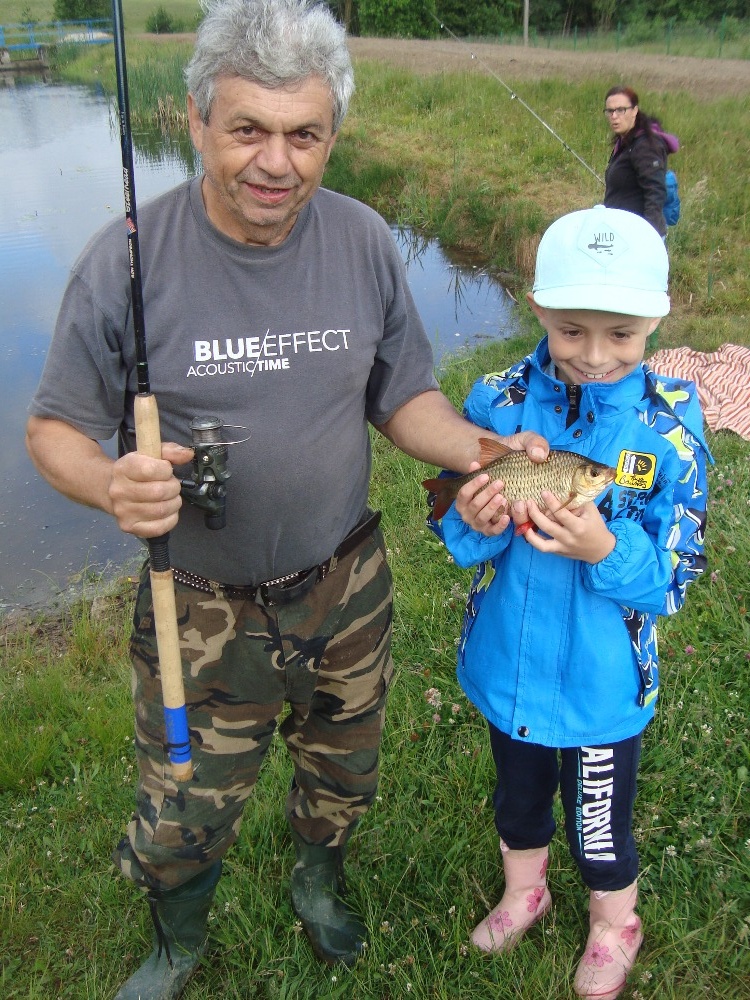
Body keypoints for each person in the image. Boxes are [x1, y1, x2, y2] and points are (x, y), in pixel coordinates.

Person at [25, 1, 546, 996]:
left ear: (332, 134)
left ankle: (319, 880)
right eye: (247, 130)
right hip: (197, 609)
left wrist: (489, 451)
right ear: (195, 121)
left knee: (343, 767)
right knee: (185, 801)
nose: (276, 162)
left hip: (346, 584)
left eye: (304, 134)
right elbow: (53, 427)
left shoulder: (362, 240)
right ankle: (177, 939)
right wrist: (107, 483)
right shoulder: (125, 259)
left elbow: (404, 397)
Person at [426, 206, 709, 1000]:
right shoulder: (497, 401)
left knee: (598, 825)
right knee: (518, 801)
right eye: (572, 330)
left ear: (656, 321)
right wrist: (476, 521)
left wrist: (606, 550)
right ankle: (525, 892)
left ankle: (615, 924)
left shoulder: (671, 428)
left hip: (602, 685)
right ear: (539, 310)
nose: (593, 354)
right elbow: (454, 524)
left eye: (621, 334)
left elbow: (676, 573)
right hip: (506, 669)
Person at [603, 85, 679, 238]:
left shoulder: (646, 146)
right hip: (622, 231)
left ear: (634, 110)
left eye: (621, 110)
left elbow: (655, 192)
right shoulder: (625, 142)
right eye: (610, 111)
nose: (614, 116)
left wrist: (648, 235)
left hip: (639, 235)